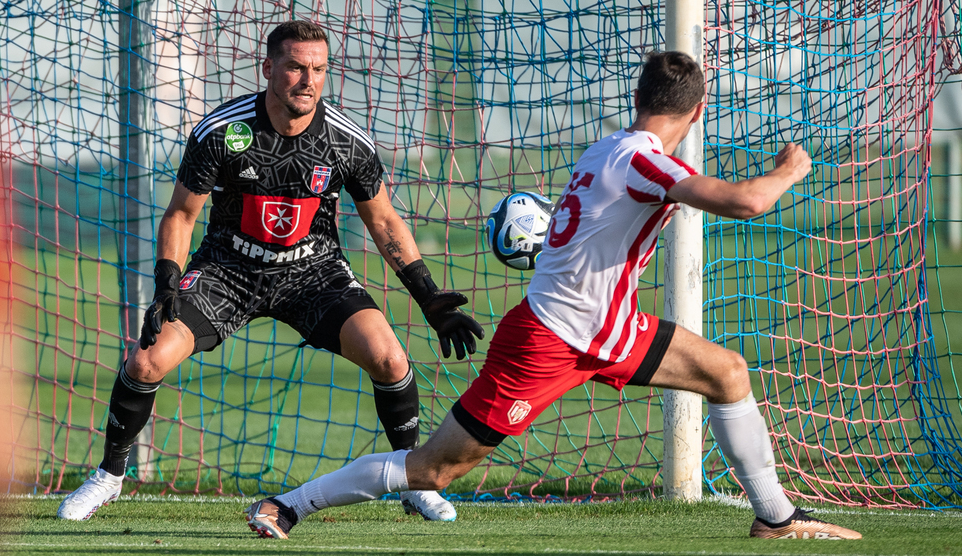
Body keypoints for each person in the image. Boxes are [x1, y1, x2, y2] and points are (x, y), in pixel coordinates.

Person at [242, 51, 862, 541]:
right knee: (433, 468)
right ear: (697, 112)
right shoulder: (641, 160)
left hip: (610, 328)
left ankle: (775, 517)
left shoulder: (609, 149)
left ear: (638, 99)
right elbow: (748, 202)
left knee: (727, 373)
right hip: (549, 340)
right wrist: (789, 169)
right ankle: (289, 505)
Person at [57, 20, 483, 523]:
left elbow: (385, 221)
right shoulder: (221, 132)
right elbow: (181, 215)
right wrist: (167, 283)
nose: (308, 80)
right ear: (268, 68)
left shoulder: (347, 142)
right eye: (296, 67)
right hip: (228, 271)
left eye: (319, 70)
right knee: (146, 362)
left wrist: (427, 295)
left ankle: (413, 482)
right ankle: (108, 477)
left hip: (314, 273)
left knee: (391, 360)